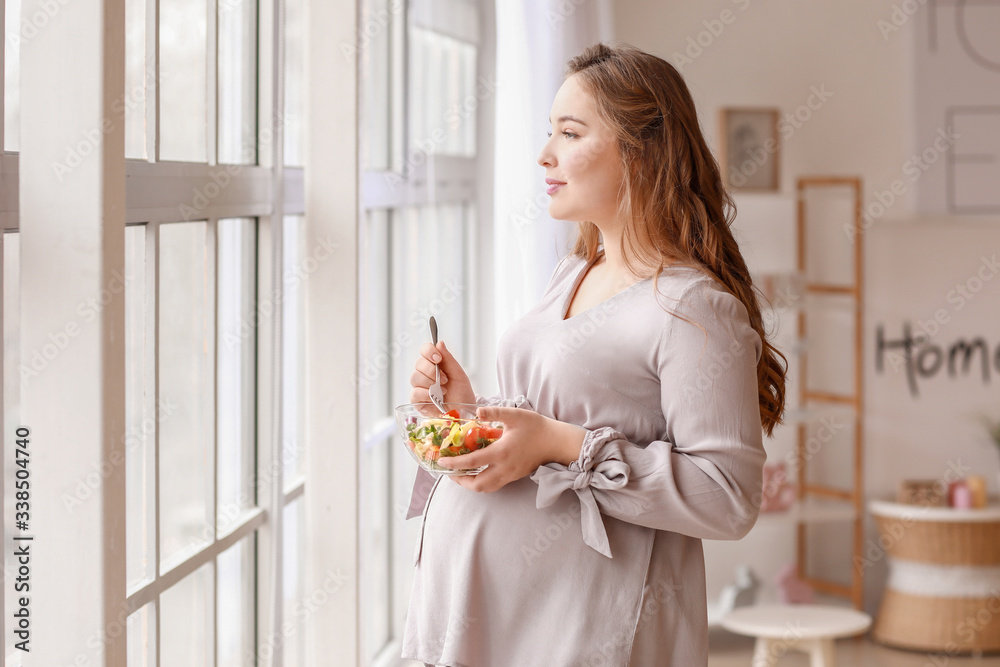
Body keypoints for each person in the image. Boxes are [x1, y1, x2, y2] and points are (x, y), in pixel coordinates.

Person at [401, 42, 788, 667]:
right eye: (547, 131)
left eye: (570, 133)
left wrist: (560, 444)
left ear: (639, 154)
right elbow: (557, 415)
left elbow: (728, 498)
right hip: (500, 618)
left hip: (582, 631)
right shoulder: (577, 271)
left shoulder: (692, 308)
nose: (545, 154)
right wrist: (469, 417)